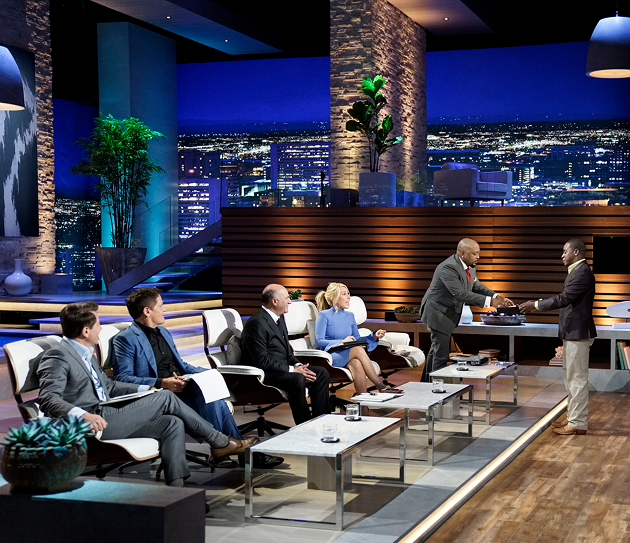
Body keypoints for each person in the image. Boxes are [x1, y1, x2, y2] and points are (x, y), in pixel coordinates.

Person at [36, 301, 256, 487]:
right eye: (98, 324)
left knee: (172, 423)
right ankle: (219, 441)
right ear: (86, 331)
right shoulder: (58, 356)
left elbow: (109, 387)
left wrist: (146, 389)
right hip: (92, 424)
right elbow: (47, 398)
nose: (101, 329)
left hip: (109, 414)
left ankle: (176, 490)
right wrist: (83, 415)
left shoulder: (86, 354)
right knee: (166, 396)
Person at [111, 287, 283, 469]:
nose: (165, 309)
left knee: (211, 390)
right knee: (210, 397)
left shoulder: (164, 333)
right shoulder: (126, 339)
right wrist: (162, 383)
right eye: (161, 305)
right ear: (147, 311)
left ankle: (225, 450)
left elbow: (181, 365)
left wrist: (210, 373)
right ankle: (237, 453)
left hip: (182, 387)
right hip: (159, 395)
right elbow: (122, 379)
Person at [519, 238, 596, 436]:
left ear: (576, 252)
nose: (562, 255)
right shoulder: (577, 271)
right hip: (573, 332)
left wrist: (536, 305)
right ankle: (573, 417)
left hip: (578, 332)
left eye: (564, 251)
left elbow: (565, 298)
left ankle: (578, 422)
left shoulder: (582, 272)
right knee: (571, 379)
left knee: (576, 379)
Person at [420, 238, 513, 376]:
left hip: (445, 313)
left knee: (436, 351)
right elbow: (460, 294)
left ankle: (426, 383)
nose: (478, 257)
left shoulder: (470, 266)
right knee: (441, 355)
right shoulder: (448, 267)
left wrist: (497, 296)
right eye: (474, 253)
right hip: (437, 312)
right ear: (462, 253)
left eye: (478, 253)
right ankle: (437, 387)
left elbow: (476, 286)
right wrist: (490, 302)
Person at [240, 284, 330, 425]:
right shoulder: (256, 323)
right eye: (287, 298)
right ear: (275, 301)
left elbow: (287, 351)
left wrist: (298, 365)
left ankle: (322, 421)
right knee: (297, 378)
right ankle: (305, 425)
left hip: (282, 369)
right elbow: (262, 361)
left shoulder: (279, 318)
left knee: (321, 373)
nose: (290, 301)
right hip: (264, 373)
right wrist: (293, 370)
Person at [314, 282, 387, 394]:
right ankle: (379, 384)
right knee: (357, 349)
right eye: (344, 294)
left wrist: (373, 336)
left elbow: (356, 339)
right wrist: (341, 341)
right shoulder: (324, 315)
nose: (348, 297)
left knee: (356, 363)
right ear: (333, 297)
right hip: (331, 355)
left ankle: (362, 401)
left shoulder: (350, 316)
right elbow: (319, 341)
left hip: (347, 353)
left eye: (348, 293)